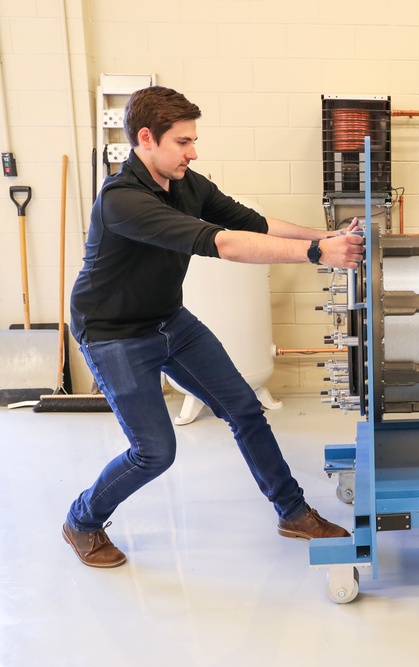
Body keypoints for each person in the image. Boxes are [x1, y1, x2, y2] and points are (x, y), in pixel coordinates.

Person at [62, 86, 365, 568]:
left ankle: (292, 512)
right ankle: (81, 520)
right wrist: (315, 255)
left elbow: (255, 223)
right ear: (147, 138)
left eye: (193, 140)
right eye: (183, 142)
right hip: (113, 334)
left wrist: (325, 236)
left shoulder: (187, 184)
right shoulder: (122, 201)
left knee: (245, 408)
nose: (193, 151)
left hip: (168, 320)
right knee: (154, 452)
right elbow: (221, 243)